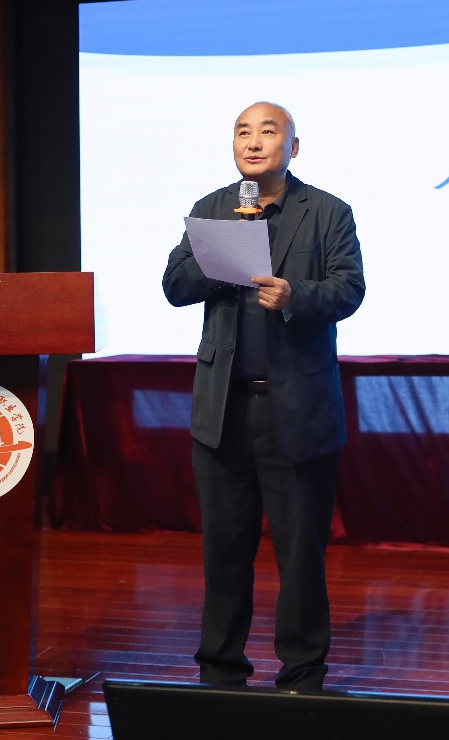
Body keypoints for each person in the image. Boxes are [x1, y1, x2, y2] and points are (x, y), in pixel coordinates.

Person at [162, 101, 366, 691]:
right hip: (222, 412)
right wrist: (223, 258)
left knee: (300, 555)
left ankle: (301, 675)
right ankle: (220, 672)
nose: (253, 142)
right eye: (243, 132)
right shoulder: (213, 209)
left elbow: (349, 289)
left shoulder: (327, 212)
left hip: (296, 412)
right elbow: (174, 285)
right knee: (224, 552)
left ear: (292, 147)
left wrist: (296, 295)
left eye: (268, 131)